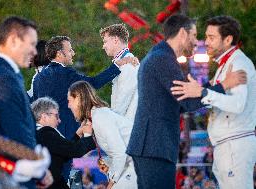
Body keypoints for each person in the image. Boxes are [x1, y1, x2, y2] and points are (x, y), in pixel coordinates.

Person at [126, 14, 245, 189]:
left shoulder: (159, 56)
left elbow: (179, 103)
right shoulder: (162, 59)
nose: (197, 42)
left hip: (151, 146)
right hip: (154, 147)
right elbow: (189, 102)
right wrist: (224, 85)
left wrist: (207, 87)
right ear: (183, 33)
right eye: (195, 36)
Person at [32, 35, 138, 180]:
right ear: (59, 54)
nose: (73, 53)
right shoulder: (66, 74)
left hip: (45, 138)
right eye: (70, 50)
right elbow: (93, 83)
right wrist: (118, 64)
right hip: (67, 136)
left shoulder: (38, 78)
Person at [171, 16, 256, 189]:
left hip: (234, 145)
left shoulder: (238, 64)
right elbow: (212, 98)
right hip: (226, 146)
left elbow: (237, 104)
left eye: (211, 37)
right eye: (206, 37)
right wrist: (198, 91)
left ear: (228, 39)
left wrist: (202, 92)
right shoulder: (224, 67)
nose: (206, 42)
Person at [0, 16, 51, 189]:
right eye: (32, 44)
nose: (35, 51)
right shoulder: (2, 78)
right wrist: (39, 169)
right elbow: (17, 132)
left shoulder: (8, 74)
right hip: (11, 179)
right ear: (13, 40)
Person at [68, 81, 137, 189]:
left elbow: (120, 153)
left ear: (79, 99)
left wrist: (112, 183)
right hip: (134, 161)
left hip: (141, 161)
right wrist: (107, 164)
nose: (68, 105)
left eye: (70, 101)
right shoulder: (96, 117)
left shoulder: (100, 117)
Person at [31, 97, 96, 189]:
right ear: (44, 117)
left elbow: (64, 152)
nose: (59, 120)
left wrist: (78, 134)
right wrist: (88, 134)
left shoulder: (37, 133)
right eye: (56, 116)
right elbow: (75, 151)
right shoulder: (46, 133)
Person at [100, 23, 139, 121]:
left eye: (105, 42)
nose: (103, 46)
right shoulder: (125, 62)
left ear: (115, 40)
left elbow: (122, 103)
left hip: (127, 127)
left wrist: (110, 124)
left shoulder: (128, 65)